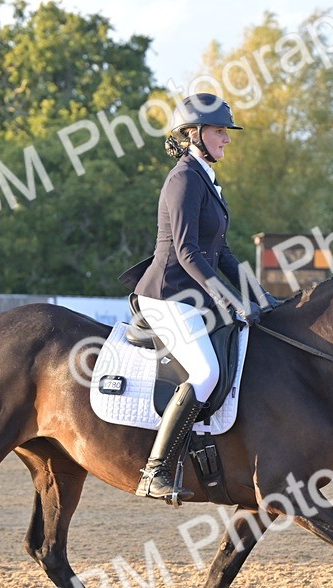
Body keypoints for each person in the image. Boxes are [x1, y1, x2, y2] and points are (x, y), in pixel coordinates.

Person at [117, 93, 275, 500]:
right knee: (204, 373)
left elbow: (221, 252)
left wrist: (260, 295)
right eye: (220, 130)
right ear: (194, 134)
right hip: (166, 295)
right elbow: (187, 251)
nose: (227, 138)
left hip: (191, 296)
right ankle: (155, 471)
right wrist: (225, 298)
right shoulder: (184, 178)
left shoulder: (207, 179)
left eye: (226, 131)